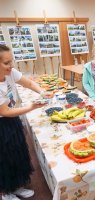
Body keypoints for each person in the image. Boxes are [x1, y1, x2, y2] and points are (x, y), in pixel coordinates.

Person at [0, 44, 51, 200]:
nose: (11, 66)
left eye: (11, 61)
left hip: (12, 120)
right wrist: (32, 107)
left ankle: (16, 186)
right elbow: (4, 111)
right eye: (7, 63)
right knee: (5, 157)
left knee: (18, 152)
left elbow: (28, 83)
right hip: (2, 125)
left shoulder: (10, 73)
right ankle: (6, 192)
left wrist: (42, 92)